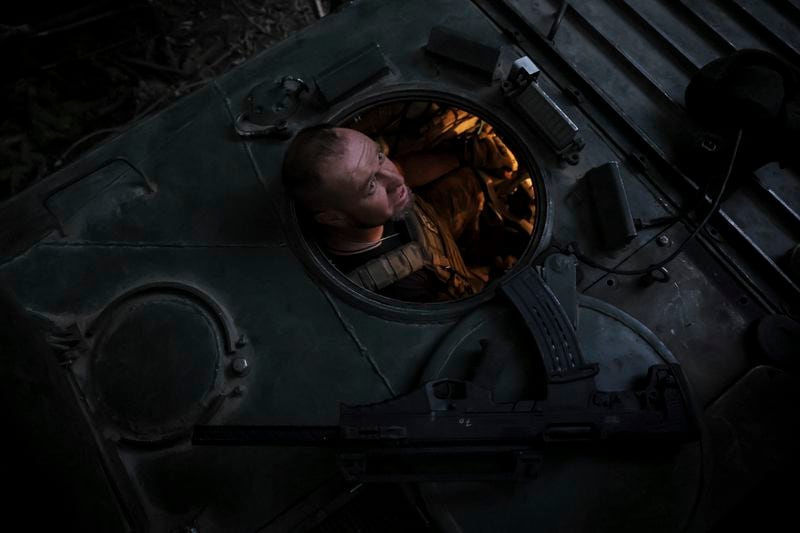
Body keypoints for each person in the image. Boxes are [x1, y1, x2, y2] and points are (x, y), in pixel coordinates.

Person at [281, 124, 487, 302]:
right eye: (371, 185)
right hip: (449, 269)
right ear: (333, 217)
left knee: (471, 183)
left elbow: (402, 170)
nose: (396, 179)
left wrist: (464, 156)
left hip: (434, 232)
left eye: (380, 156)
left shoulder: (372, 202)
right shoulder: (401, 286)